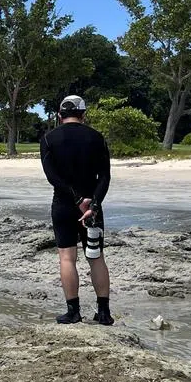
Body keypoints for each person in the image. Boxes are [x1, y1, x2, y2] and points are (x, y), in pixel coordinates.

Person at [39, 95, 113, 325]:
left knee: (67, 258)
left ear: (60, 115)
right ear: (83, 114)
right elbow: (105, 176)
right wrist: (93, 202)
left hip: (63, 205)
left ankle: (73, 312)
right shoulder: (96, 137)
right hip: (92, 207)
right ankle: (104, 313)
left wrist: (76, 198)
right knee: (96, 256)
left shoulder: (49, 139)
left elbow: (53, 177)